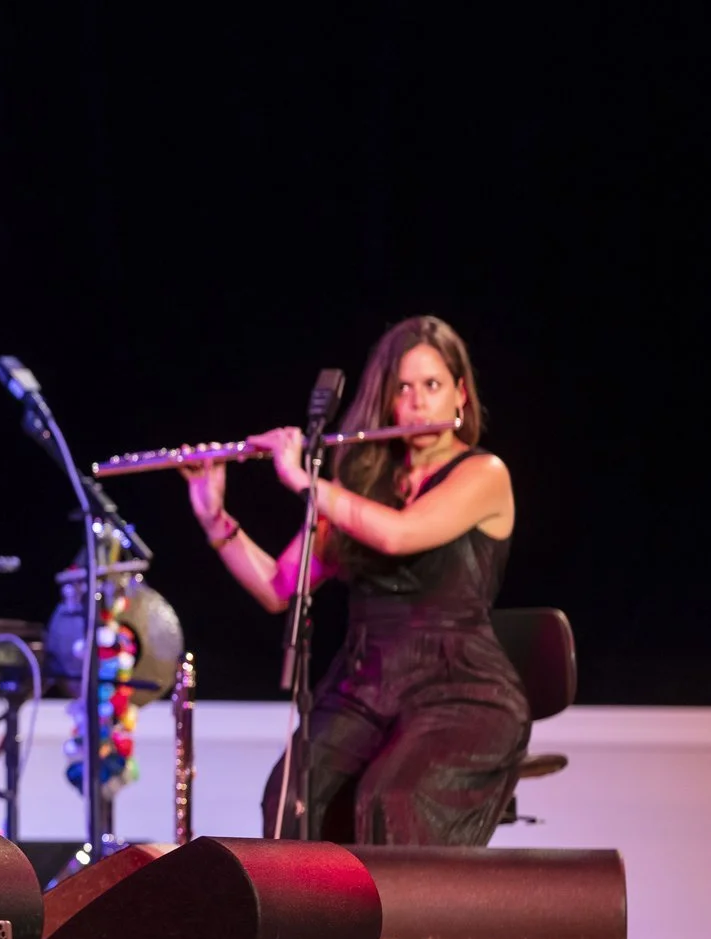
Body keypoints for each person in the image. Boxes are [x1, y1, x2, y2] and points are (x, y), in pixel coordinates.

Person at [180, 315, 527, 843]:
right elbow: (278, 587)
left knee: (396, 799)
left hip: (461, 688)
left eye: (431, 386)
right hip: (364, 684)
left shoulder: (484, 475)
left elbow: (398, 535)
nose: (416, 402)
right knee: (291, 799)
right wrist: (214, 517)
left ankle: (403, 930)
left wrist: (303, 478)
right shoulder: (362, 488)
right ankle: (308, 928)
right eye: (402, 389)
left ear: (460, 395)